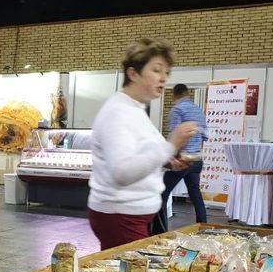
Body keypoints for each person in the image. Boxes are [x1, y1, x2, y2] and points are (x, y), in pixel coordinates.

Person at [87, 38, 197, 250]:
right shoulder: (118, 112)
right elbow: (122, 171)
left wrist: (167, 161)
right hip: (120, 216)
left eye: (166, 73)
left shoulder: (135, 109)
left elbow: (139, 153)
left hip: (132, 215)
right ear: (133, 73)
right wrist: (170, 145)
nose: (163, 78)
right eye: (156, 70)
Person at [159, 84, 208, 228]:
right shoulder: (198, 110)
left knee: (162, 193)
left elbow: (176, 136)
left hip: (183, 159)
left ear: (174, 95)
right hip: (197, 159)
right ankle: (203, 225)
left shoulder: (177, 110)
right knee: (195, 194)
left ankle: (160, 229)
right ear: (187, 94)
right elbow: (205, 136)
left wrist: (172, 158)